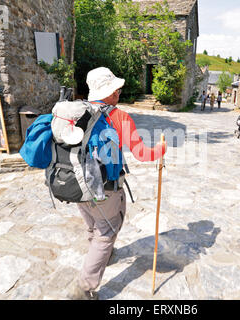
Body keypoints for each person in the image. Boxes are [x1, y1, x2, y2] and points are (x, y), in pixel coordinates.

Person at [67, 67, 167, 300]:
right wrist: (161, 149)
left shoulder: (77, 113)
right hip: (105, 188)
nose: (119, 92)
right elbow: (142, 153)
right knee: (107, 230)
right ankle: (84, 289)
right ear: (109, 92)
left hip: (78, 184)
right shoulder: (119, 117)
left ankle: (105, 255)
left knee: (93, 225)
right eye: (117, 89)